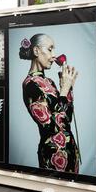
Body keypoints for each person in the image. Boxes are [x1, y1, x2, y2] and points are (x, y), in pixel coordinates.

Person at [20, 34, 80, 173]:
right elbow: (51, 127)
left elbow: (67, 118)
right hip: (53, 154)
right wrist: (64, 90)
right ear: (36, 51)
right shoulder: (30, 84)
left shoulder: (50, 83)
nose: (54, 55)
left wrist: (68, 86)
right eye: (50, 49)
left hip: (70, 152)